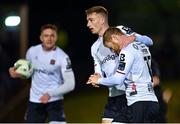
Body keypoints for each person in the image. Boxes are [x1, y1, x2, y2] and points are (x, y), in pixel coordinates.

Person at [85, 6, 153, 123]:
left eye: (91, 20)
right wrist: (95, 78)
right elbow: (98, 71)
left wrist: (133, 37)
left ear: (102, 20)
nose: (88, 24)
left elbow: (149, 41)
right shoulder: (94, 48)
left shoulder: (120, 31)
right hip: (114, 96)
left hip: (132, 94)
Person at [9, 24, 75, 123]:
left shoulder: (63, 57)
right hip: (36, 100)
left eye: (52, 35)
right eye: (46, 35)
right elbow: (28, 72)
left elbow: (70, 84)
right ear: (41, 37)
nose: (49, 38)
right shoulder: (32, 51)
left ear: (56, 37)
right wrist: (17, 74)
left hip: (54, 100)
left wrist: (50, 94)